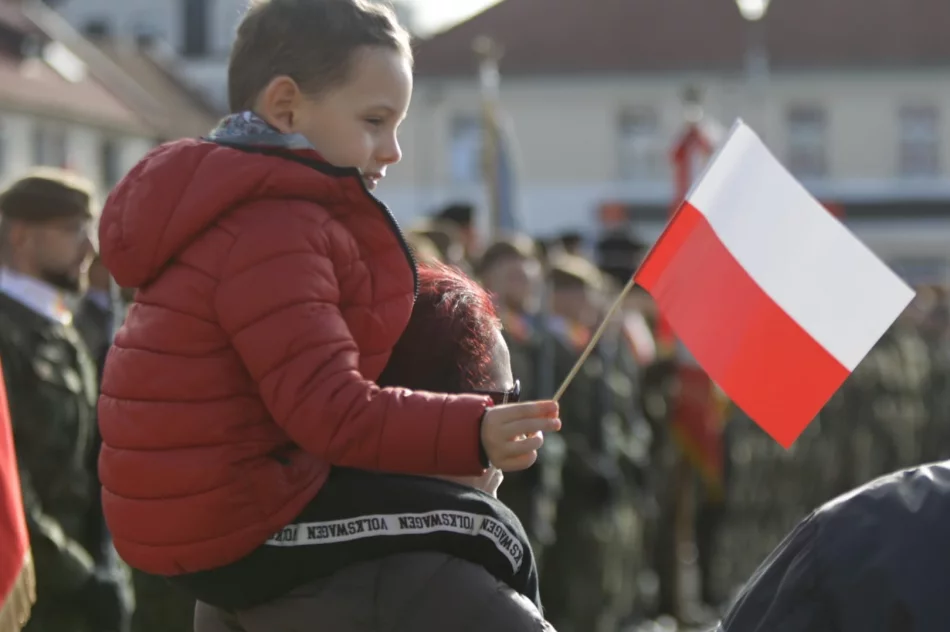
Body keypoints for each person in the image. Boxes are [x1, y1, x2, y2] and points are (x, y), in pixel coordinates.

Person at [96, 0, 559, 606]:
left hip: (194, 507)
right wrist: (474, 430)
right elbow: (330, 409)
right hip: (233, 517)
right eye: (374, 120)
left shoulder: (244, 205)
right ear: (286, 106)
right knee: (491, 529)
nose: (391, 149)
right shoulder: (275, 225)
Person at [193, 261, 556, 630]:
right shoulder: (463, 598)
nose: (511, 438)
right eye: (498, 405)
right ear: (426, 408)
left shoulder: (238, 573)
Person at [0, 170, 133, 632]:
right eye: (73, 229)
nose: (90, 249)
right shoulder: (8, 331)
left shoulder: (60, 326)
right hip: (29, 589)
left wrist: (104, 567)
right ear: (21, 235)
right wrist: (80, 578)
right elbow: (9, 480)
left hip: (78, 579)